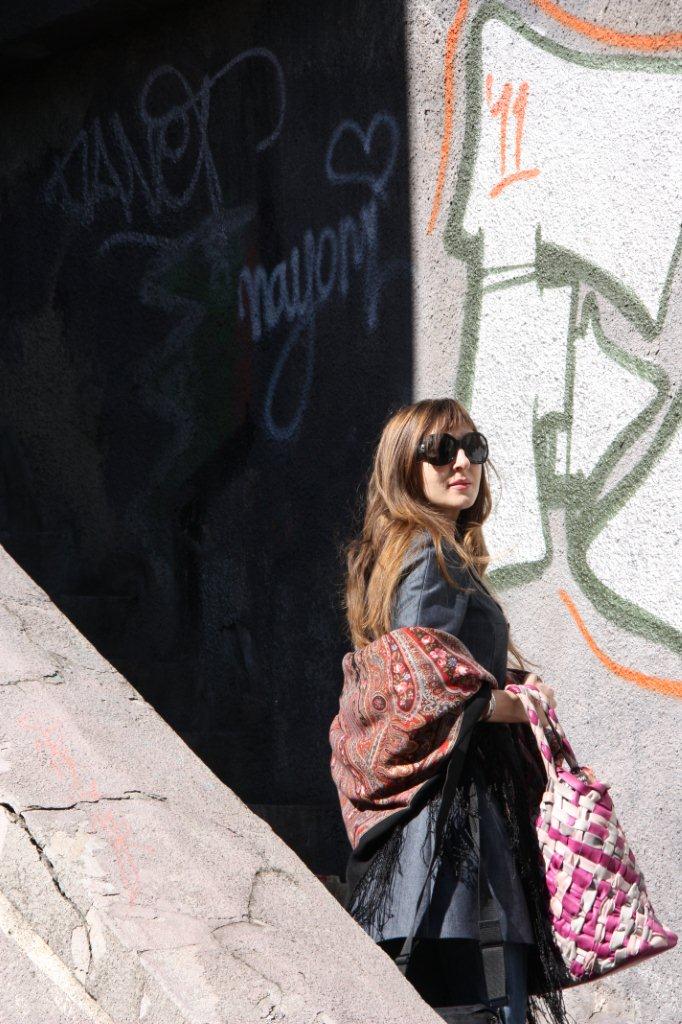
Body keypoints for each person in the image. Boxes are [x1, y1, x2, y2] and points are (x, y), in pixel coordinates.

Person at [334, 398, 570, 1024]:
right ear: (404, 467)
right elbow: (419, 684)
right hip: (449, 833)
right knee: (474, 1003)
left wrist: (504, 680)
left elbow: (426, 665)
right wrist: (519, 705)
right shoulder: (430, 553)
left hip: (425, 837)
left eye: (473, 447)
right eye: (441, 450)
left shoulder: (403, 551)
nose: (462, 462)